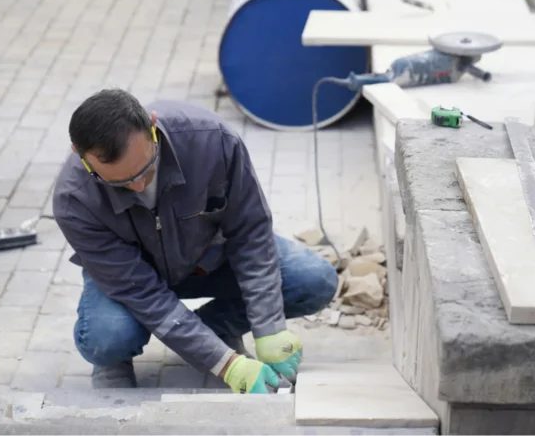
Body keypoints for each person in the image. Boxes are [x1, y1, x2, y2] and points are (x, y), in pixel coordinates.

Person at [52, 89, 338, 393]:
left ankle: (215, 329)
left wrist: (269, 328)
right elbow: (144, 295)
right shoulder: (74, 200)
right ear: (79, 154)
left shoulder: (212, 142)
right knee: (107, 338)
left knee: (314, 280)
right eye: (119, 182)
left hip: (209, 258)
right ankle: (115, 362)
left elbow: (251, 232)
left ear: (152, 125)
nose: (137, 186)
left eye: (145, 170)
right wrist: (226, 364)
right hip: (132, 279)